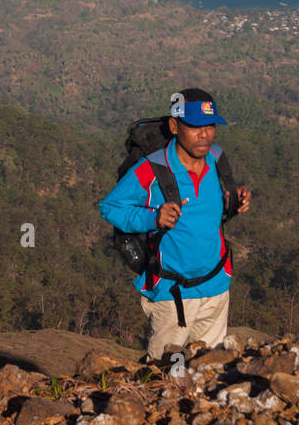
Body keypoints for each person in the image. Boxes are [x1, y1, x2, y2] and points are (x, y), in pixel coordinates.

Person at [98, 88, 251, 360]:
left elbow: (208, 215)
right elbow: (109, 207)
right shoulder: (152, 169)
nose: (205, 135)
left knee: (209, 370)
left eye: (210, 126)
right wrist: (151, 218)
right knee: (164, 375)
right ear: (174, 126)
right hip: (173, 295)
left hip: (216, 288)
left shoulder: (217, 159)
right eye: (194, 126)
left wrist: (233, 204)